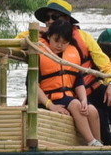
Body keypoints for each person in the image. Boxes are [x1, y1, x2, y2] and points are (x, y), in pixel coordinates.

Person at [39, 18, 103, 146]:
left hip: (67, 97)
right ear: (49, 36)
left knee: (91, 110)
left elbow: (78, 82)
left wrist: (84, 100)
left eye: (64, 42)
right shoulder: (39, 51)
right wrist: (50, 105)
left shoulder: (72, 53)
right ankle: (91, 142)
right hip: (48, 98)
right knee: (75, 104)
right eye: (56, 40)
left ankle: (98, 144)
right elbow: (32, 86)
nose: (59, 45)